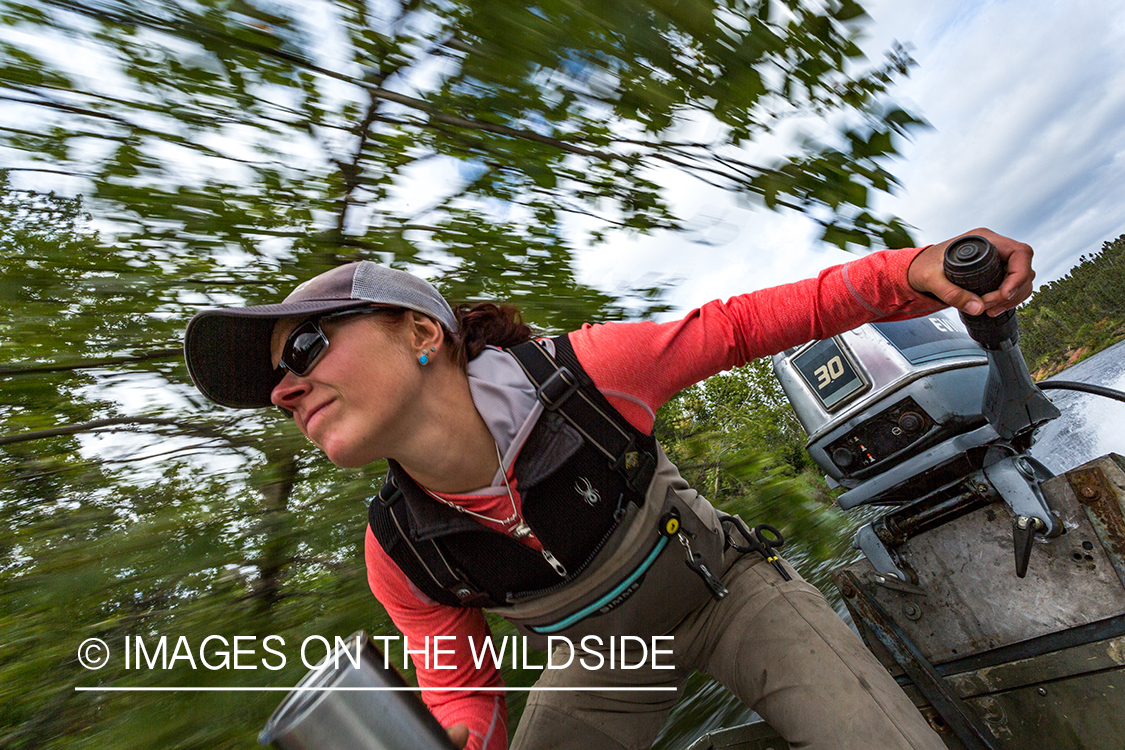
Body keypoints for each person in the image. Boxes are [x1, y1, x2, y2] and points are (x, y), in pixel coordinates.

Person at [184, 228, 1034, 750]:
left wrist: (914, 271)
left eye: (303, 352)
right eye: (275, 386)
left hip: (729, 594)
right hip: (604, 666)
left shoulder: (586, 376)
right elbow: (460, 691)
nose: (285, 390)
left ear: (418, 332)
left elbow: (744, 324)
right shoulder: (399, 554)